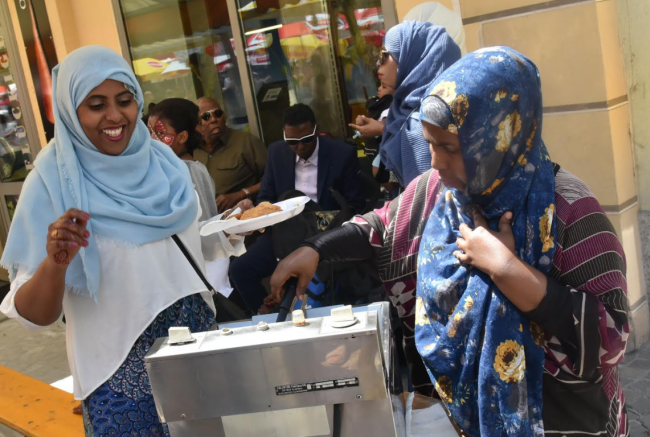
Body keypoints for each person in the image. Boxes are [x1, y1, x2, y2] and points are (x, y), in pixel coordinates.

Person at [270, 47, 628, 436]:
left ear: (499, 136)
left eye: (451, 148)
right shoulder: (438, 194)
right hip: (459, 417)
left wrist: (505, 269)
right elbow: (382, 227)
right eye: (431, 144)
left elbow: (610, 339)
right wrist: (315, 248)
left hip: (560, 421)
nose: (436, 162)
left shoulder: (570, 211)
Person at [0, 46, 253, 436]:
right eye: (96, 104)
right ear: (70, 111)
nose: (115, 116)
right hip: (118, 379)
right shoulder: (52, 182)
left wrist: (231, 229)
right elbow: (35, 314)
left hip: (195, 357)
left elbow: (184, 253)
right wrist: (55, 263)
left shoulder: (166, 164)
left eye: (124, 100)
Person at [230, 104, 364, 313]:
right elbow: (266, 197)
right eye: (292, 142)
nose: (300, 147)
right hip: (284, 231)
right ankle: (271, 319)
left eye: (306, 140)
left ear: (316, 130)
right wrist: (254, 213)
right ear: (284, 136)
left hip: (323, 233)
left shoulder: (341, 154)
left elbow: (355, 205)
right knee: (239, 270)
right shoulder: (276, 152)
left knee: (329, 278)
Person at [375, 21, 460, 188]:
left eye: (383, 55)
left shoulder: (420, 123)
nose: (378, 63)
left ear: (410, 56)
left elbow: (424, 202)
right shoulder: (405, 109)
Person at [148, 98, 218, 220]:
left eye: (159, 133)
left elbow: (203, 222)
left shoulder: (188, 171)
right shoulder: (167, 167)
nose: (151, 139)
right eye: (149, 132)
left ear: (182, 137)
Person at [195, 96, 267, 212]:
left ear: (225, 116)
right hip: (209, 222)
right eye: (206, 116)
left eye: (217, 113)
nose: (213, 119)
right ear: (197, 123)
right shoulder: (193, 150)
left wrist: (242, 194)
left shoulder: (246, 141)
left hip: (243, 216)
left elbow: (271, 178)